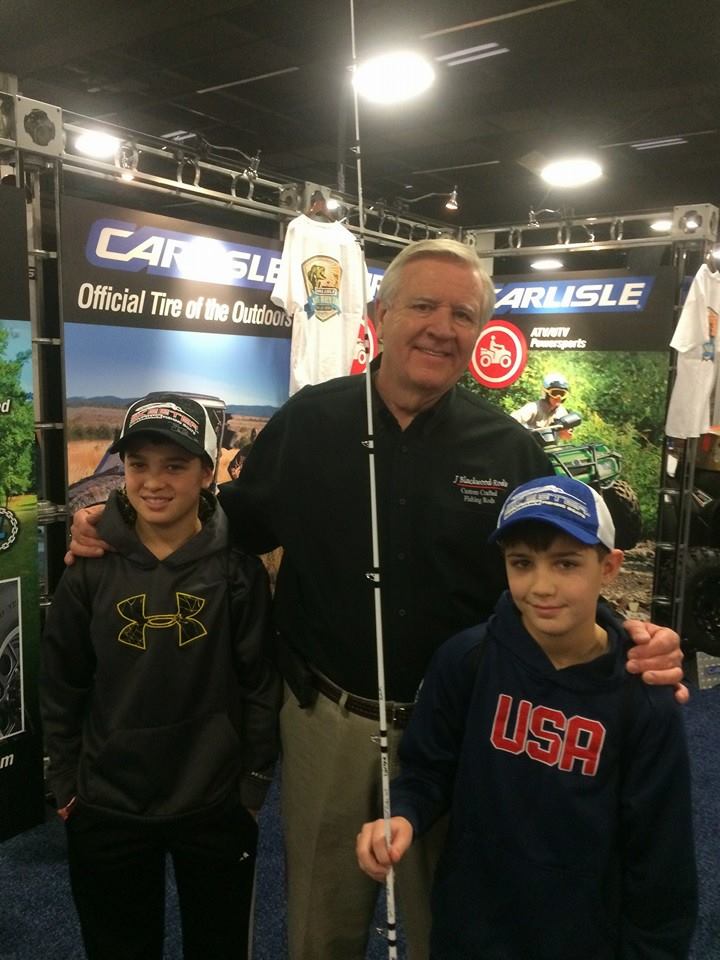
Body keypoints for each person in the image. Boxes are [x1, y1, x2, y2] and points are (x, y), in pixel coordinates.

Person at [68, 240, 685, 960]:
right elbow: (229, 520)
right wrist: (114, 522)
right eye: (422, 305)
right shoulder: (311, 419)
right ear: (379, 316)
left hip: (458, 726)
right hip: (325, 716)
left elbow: (553, 567)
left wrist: (627, 634)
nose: (441, 327)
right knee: (318, 928)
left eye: (462, 314)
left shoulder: (508, 448)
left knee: (436, 925)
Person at [357, 475, 697, 960]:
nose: (541, 585)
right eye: (522, 563)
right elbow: (428, 768)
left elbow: (662, 862)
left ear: (609, 566)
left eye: (566, 563)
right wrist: (404, 815)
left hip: (583, 938)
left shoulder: (643, 698)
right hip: (471, 928)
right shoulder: (466, 660)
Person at [41, 393, 280, 960]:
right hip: (106, 804)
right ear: (122, 470)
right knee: (118, 945)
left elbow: (259, 685)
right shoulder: (89, 569)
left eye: (174, 465)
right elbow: (62, 683)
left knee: (218, 944)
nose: (154, 482)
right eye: (138, 465)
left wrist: (251, 786)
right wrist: (65, 785)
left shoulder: (237, 573)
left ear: (206, 471)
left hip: (215, 801)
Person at [511, 371, 573, 437]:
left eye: (562, 394)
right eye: (554, 393)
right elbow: (511, 421)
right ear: (546, 393)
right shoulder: (533, 408)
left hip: (550, 446)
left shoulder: (561, 412)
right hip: (528, 445)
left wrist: (565, 433)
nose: (558, 397)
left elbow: (565, 437)